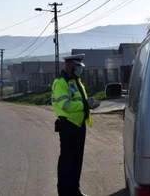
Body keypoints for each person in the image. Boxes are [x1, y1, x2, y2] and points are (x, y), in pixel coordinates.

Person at [52, 53, 99, 196]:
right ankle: (64, 192)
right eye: (78, 66)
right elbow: (65, 105)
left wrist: (89, 105)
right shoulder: (61, 82)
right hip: (68, 126)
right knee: (67, 161)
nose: (80, 69)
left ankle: (75, 190)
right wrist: (85, 104)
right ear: (70, 65)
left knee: (77, 160)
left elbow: (79, 101)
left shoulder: (76, 81)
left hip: (79, 126)